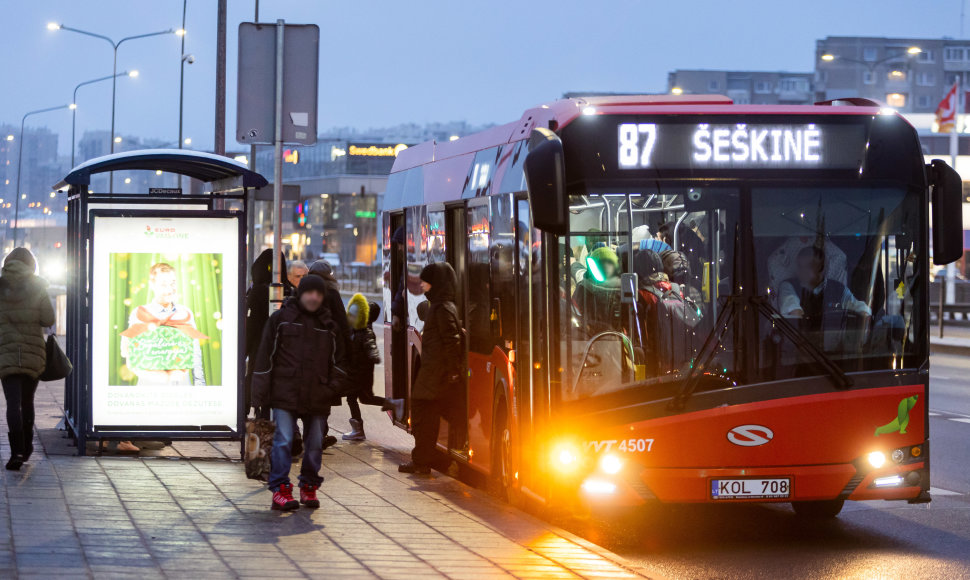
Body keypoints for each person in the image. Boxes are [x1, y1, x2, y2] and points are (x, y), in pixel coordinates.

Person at [251, 275, 347, 510]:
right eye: (309, 292)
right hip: (285, 393)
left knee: (314, 443)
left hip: (318, 394)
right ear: (300, 293)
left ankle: (309, 486)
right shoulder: (281, 319)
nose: (313, 297)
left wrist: (332, 388)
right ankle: (280, 489)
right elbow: (265, 356)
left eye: (318, 293)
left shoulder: (329, 326)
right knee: (283, 440)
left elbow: (340, 362)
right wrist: (259, 394)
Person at [399, 262, 462, 474]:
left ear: (437, 284)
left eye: (426, 283)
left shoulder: (442, 308)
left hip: (436, 374)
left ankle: (424, 461)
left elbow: (451, 341)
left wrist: (453, 371)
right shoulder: (441, 305)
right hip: (433, 372)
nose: (423, 287)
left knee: (423, 418)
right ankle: (425, 460)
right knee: (425, 418)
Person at [0, 248, 55, 470]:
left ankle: (17, 452)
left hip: (6, 352)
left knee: (12, 403)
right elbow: (48, 319)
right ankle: (28, 446)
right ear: (32, 265)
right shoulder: (39, 287)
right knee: (27, 402)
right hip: (33, 353)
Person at [121, 262, 207, 387]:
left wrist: (200, 383)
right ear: (152, 285)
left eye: (172, 283)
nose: (169, 289)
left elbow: (195, 351)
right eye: (163, 284)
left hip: (182, 388)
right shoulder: (140, 314)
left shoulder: (185, 313)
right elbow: (127, 351)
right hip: (150, 389)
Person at [342, 294, 403, 441]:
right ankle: (392, 403)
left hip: (361, 374)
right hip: (357, 372)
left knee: (352, 398)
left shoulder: (365, 331)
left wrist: (374, 355)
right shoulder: (356, 329)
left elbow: (371, 347)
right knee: (365, 398)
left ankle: (358, 430)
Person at [778, 246, 871, 326]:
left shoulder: (838, 288)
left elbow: (859, 307)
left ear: (820, 269)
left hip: (833, 343)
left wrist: (865, 314)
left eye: (805, 267)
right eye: (799, 266)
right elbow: (795, 314)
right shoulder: (788, 286)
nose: (799, 270)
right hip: (801, 341)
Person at [571, 246, 623, 336]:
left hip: (590, 339)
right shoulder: (623, 288)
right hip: (617, 341)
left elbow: (575, 316)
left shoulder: (584, 287)